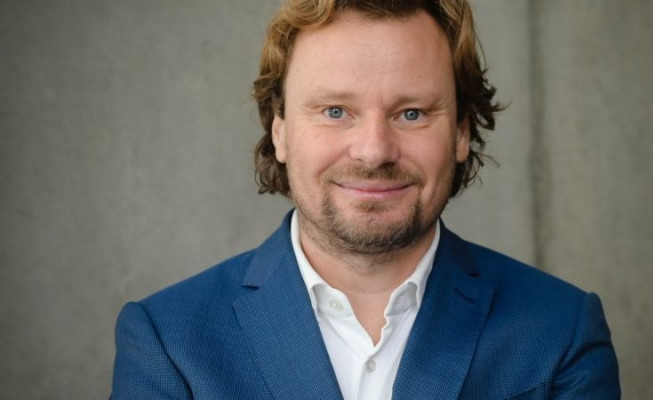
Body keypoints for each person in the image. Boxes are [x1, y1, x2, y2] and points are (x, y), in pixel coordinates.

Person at [110, 0, 620, 399]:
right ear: (280, 131)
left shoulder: (560, 331)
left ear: (462, 133)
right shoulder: (167, 340)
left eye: (412, 113)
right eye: (335, 111)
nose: (374, 151)